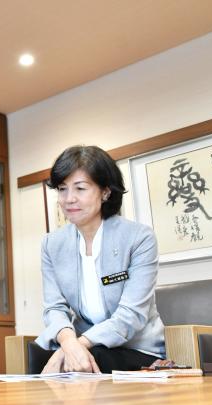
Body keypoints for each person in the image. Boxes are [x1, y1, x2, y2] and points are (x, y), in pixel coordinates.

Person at [34, 145, 166, 374]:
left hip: (135, 348)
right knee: (41, 356)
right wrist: (68, 343)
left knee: (86, 361)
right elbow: (54, 308)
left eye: (80, 188)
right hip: (81, 345)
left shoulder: (138, 238)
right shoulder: (51, 244)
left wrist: (75, 347)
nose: (69, 199)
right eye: (62, 189)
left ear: (105, 192)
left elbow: (131, 315)